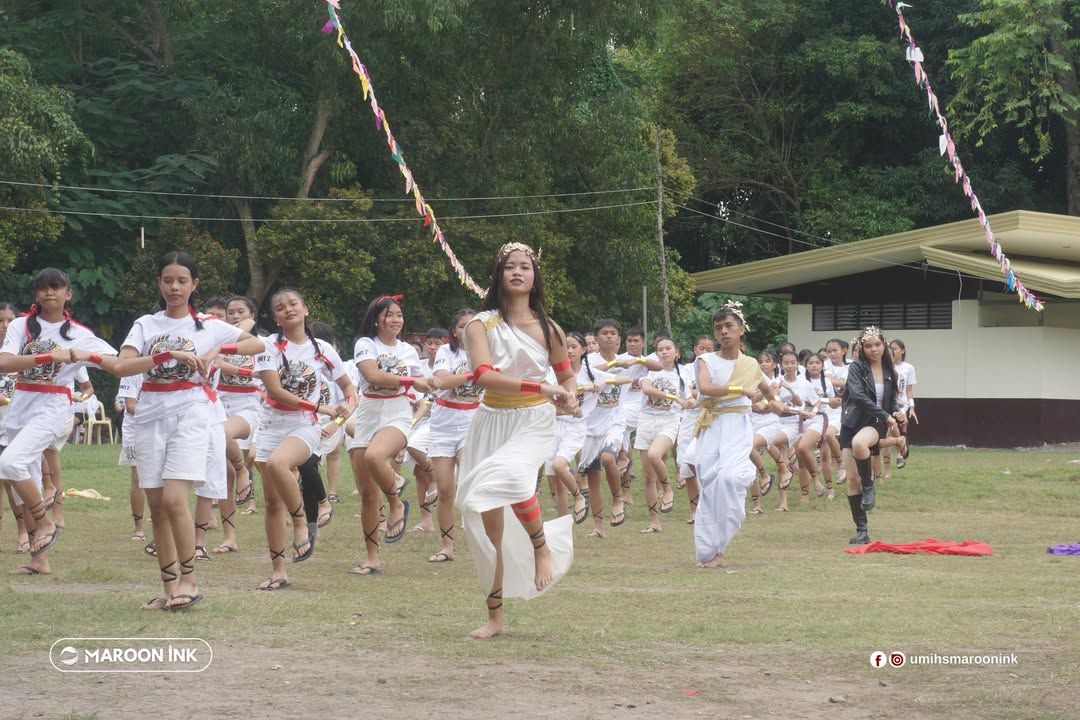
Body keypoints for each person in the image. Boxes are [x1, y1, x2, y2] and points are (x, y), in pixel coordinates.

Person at [102, 251, 265, 610]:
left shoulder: (207, 325)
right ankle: (169, 588)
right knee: (157, 507)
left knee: (175, 500)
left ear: (194, 285)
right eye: (167, 280)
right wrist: (168, 356)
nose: (174, 287)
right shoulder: (146, 324)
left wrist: (219, 349)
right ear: (159, 283)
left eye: (181, 281)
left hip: (192, 414)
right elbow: (121, 366)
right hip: (149, 417)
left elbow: (257, 343)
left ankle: (189, 581)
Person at [455, 242, 577, 639]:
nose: (518, 272)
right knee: (487, 526)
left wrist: (570, 395)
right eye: (510, 267)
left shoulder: (550, 328)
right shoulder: (480, 325)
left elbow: (567, 375)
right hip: (491, 420)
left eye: (525, 266)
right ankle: (495, 617)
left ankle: (542, 546)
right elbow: (484, 376)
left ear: (535, 276)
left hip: (534, 420)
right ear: (498, 275)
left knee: (511, 478)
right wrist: (543, 386)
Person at [0, 270, 118, 577]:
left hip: (54, 408)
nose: (49, 293)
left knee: (9, 463)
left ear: (68, 294)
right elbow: (4, 362)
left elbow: (116, 361)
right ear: (36, 294)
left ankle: (45, 522)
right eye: (43, 288)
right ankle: (39, 560)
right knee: (25, 486)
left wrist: (85, 355)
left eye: (56, 287)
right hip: (20, 407)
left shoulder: (79, 333)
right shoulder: (21, 325)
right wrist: (50, 357)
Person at [252, 290, 354, 590]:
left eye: (293, 304)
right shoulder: (268, 346)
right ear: (275, 318)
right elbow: (275, 392)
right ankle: (279, 571)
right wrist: (322, 407)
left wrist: (345, 410)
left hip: (304, 425)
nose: (288, 309)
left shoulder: (323, 349)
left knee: (278, 464)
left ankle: (300, 522)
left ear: (306, 309)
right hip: (271, 424)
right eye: (280, 307)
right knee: (272, 503)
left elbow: (349, 389)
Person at [347, 295, 431, 576]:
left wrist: (433, 383)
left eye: (399, 315)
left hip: (398, 412)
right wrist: (412, 380)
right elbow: (373, 376)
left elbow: (425, 381)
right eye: (389, 314)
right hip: (368, 413)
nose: (396, 319)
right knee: (368, 495)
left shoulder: (408, 350)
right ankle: (372, 558)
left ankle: (396, 503)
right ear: (376, 319)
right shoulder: (365, 344)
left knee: (375, 456)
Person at [693, 302, 780, 568]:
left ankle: (721, 542)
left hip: (737, 427)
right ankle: (711, 552)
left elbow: (766, 389)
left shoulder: (750, 364)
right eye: (718, 327)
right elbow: (705, 388)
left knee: (729, 478)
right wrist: (740, 390)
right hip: (712, 426)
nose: (724, 331)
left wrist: (774, 403)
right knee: (710, 486)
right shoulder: (706, 360)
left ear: (741, 329)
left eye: (729, 326)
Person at [839, 326, 905, 545]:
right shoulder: (856, 368)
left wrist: (895, 412)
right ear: (862, 348)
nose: (873, 349)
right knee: (851, 479)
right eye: (868, 346)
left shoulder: (890, 371)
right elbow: (857, 396)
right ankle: (862, 530)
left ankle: (869, 486)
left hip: (874, 423)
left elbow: (892, 400)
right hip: (851, 422)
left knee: (860, 443)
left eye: (877, 344)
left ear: (884, 345)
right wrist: (887, 415)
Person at [425, 310, 481, 562]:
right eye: (461, 326)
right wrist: (473, 374)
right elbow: (441, 381)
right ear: (454, 331)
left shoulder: (486, 352)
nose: (467, 330)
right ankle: (447, 546)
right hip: (443, 424)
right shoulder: (446, 352)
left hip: (472, 422)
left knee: (469, 483)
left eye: (472, 324)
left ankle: (483, 539)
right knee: (446, 490)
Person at [636, 337, 690, 534]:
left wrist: (691, 402)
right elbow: (647, 389)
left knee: (654, 455)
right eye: (660, 349)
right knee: (648, 478)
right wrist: (674, 397)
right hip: (646, 421)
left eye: (668, 348)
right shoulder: (650, 371)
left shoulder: (683, 374)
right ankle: (654, 521)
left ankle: (667, 489)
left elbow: (690, 398)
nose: (664, 352)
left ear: (677, 353)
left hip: (669, 421)